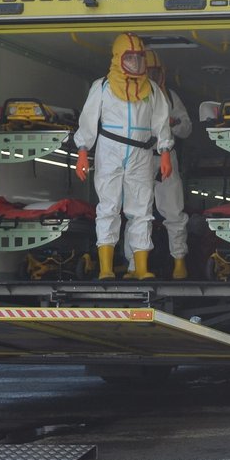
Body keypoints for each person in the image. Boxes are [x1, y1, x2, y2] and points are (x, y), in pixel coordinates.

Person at [73, 33, 174, 280]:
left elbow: (162, 122)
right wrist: (83, 152)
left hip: (141, 153)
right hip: (109, 150)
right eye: (129, 58)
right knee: (108, 207)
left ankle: (140, 267)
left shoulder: (151, 90)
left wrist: (165, 152)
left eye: (139, 58)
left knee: (141, 210)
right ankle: (106, 268)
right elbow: (88, 120)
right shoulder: (103, 87)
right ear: (118, 58)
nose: (135, 63)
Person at [123, 50, 194, 280]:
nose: (152, 76)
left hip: (166, 157)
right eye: (148, 71)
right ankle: (134, 264)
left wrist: (172, 125)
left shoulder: (170, 97)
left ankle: (179, 261)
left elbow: (187, 128)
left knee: (174, 211)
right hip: (139, 158)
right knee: (136, 212)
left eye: (155, 71)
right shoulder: (130, 95)